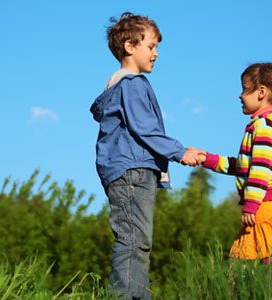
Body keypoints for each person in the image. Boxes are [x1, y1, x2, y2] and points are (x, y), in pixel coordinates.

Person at [90, 12, 203, 299]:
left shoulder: (119, 86)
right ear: (130, 46)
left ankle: (137, 294)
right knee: (133, 241)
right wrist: (180, 152)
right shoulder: (132, 84)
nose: (155, 54)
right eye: (151, 46)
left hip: (129, 172)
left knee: (137, 240)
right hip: (133, 172)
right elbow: (145, 128)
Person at [199, 63, 272, 263]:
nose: (240, 96)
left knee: (249, 266)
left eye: (244, 89)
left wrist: (251, 204)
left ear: (261, 92)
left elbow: (261, 168)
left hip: (265, 205)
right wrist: (208, 159)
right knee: (269, 266)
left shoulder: (264, 125)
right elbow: (247, 166)